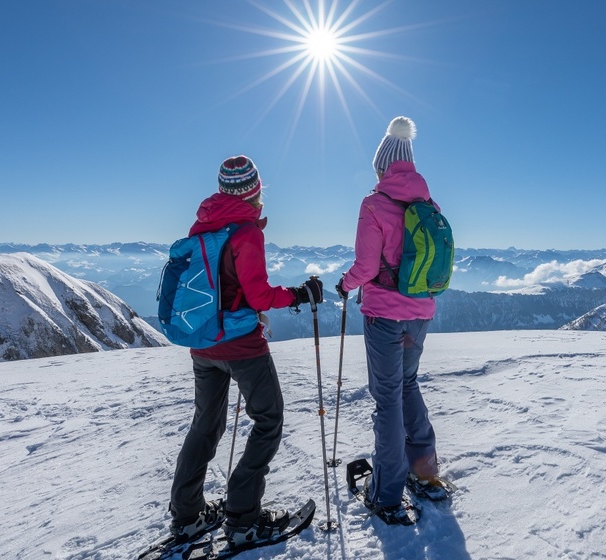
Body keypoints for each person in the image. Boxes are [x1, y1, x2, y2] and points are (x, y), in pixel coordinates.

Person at [168, 155, 323, 543]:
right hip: (241, 345)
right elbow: (257, 294)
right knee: (268, 421)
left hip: (203, 343)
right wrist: (299, 294)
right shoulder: (247, 232)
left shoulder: (202, 225)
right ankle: (242, 520)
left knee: (205, 424)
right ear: (255, 190)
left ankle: (187, 515)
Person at [336, 117, 446, 525]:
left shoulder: (374, 204)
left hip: (384, 315)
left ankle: (386, 494)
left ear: (382, 166)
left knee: (387, 400)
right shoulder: (429, 205)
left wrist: (345, 285)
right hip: (420, 314)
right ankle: (426, 473)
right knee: (408, 385)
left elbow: (365, 266)